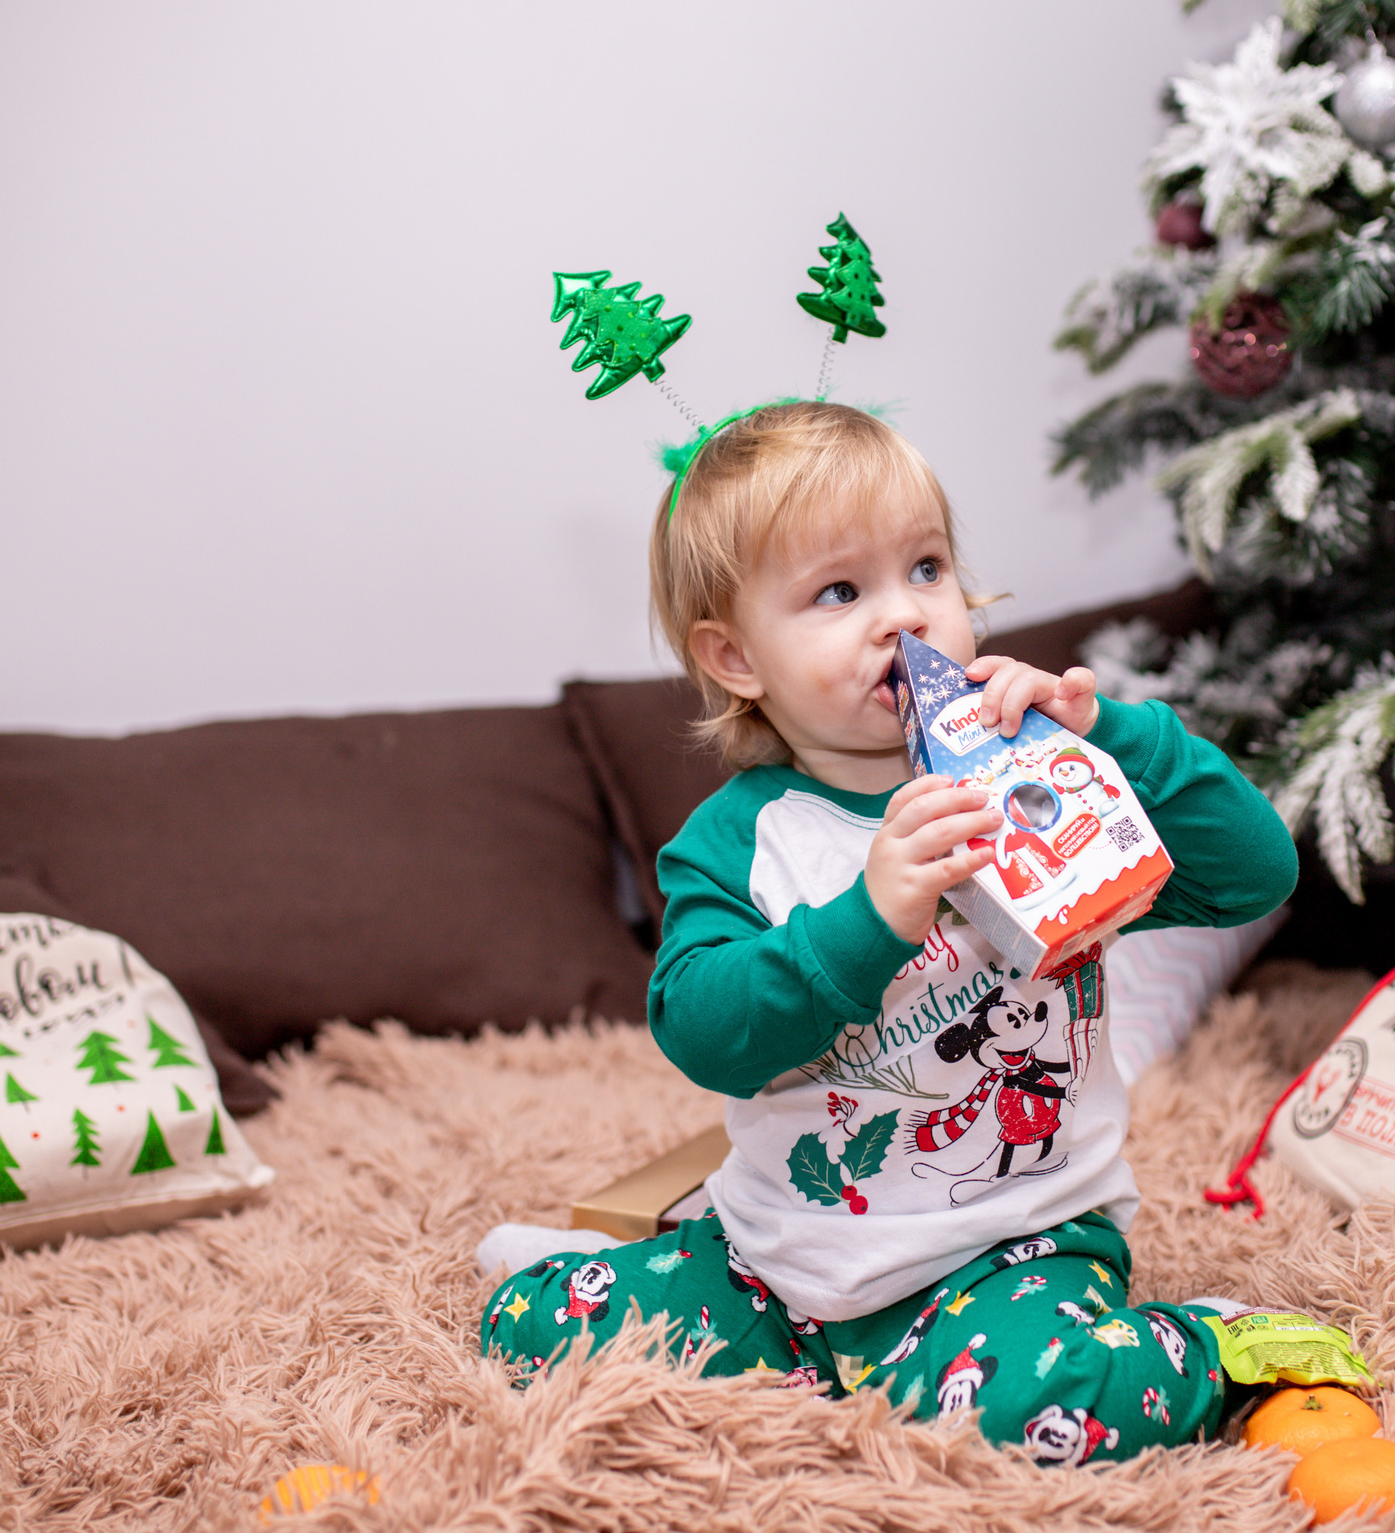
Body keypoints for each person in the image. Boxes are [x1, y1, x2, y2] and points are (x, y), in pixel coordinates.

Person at [479, 401, 1300, 1463]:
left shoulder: (1036, 774)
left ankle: (1221, 1342)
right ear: (736, 657)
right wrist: (868, 920)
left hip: (1012, 1246)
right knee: (521, 1326)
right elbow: (704, 1031)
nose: (904, 615)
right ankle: (706, 1302)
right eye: (839, 591)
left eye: (926, 568)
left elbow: (1255, 874)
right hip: (778, 1262)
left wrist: (1116, 738)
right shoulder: (737, 841)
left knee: (1033, 1414)